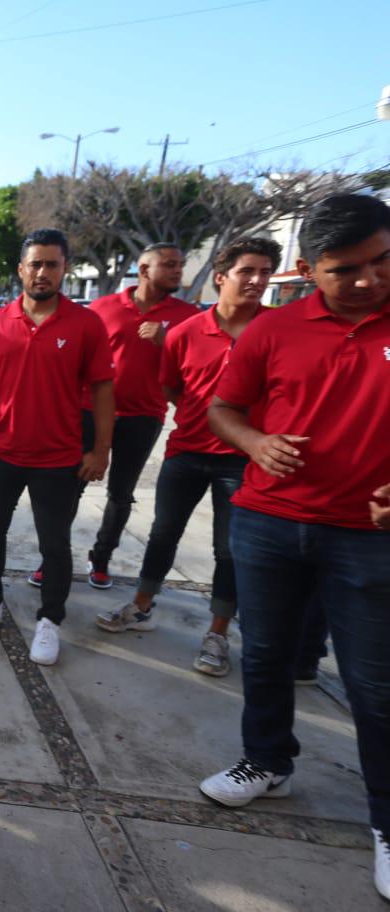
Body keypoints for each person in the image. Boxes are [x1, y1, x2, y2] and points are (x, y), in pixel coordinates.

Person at [197, 194, 390, 901]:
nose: (369, 281)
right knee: (268, 655)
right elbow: (224, 408)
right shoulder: (273, 332)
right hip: (270, 521)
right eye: (347, 270)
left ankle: (386, 823)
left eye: (382, 261)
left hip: (369, 537)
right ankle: (266, 762)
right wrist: (255, 442)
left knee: (374, 682)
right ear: (309, 269)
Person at [93, 238, 275, 678]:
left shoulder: (276, 328)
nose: (257, 281)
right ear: (221, 277)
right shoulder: (189, 331)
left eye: (266, 272)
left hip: (242, 457)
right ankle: (141, 606)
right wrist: (199, 416)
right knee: (162, 535)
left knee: (228, 550)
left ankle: (217, 633)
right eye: (247, 271)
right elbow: (173, 387)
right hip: (186, 450)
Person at [0, 228, 114, 666]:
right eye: (35, 264)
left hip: (59, 457)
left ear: (65, 269)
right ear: (21, 269)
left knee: (55, 543)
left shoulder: (85, 325)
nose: (43, 272)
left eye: (52, 264)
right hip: (0, 451)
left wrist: (101, 450)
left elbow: (102, 389)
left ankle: (50, 620)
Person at [33, 243, 198, 590]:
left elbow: (193, 371)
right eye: (168, 265)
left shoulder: (187, 316)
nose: (177, 271)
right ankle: (52, 559)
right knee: (69, 488)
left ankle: (102, 558)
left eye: (180, 265)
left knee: (121, 494)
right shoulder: (102, 309)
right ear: (143, 270)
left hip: (144, 416)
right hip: (90, 413)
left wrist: (166, 342)